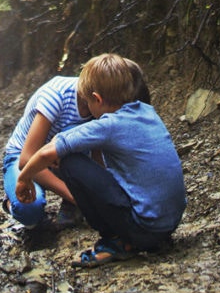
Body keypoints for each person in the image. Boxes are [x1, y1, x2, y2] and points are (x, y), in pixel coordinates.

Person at [15, 53, 185, 267]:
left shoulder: (108, 125)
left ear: (97, 99)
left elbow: (46, 153)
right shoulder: (147, 112)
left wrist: (24, 179)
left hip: (144, 229)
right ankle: (133, 237)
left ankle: (115, 241)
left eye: (87, 102)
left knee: (71, 161)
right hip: (169, 223)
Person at [1, 75, 90, 230]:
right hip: (23, 156)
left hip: (57, 156)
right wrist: (76, 197)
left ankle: (69, 208)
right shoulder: (57, 95)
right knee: (28, 210)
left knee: (79, 134)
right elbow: (26, 160)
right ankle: (10, 202)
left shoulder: (106, 104)